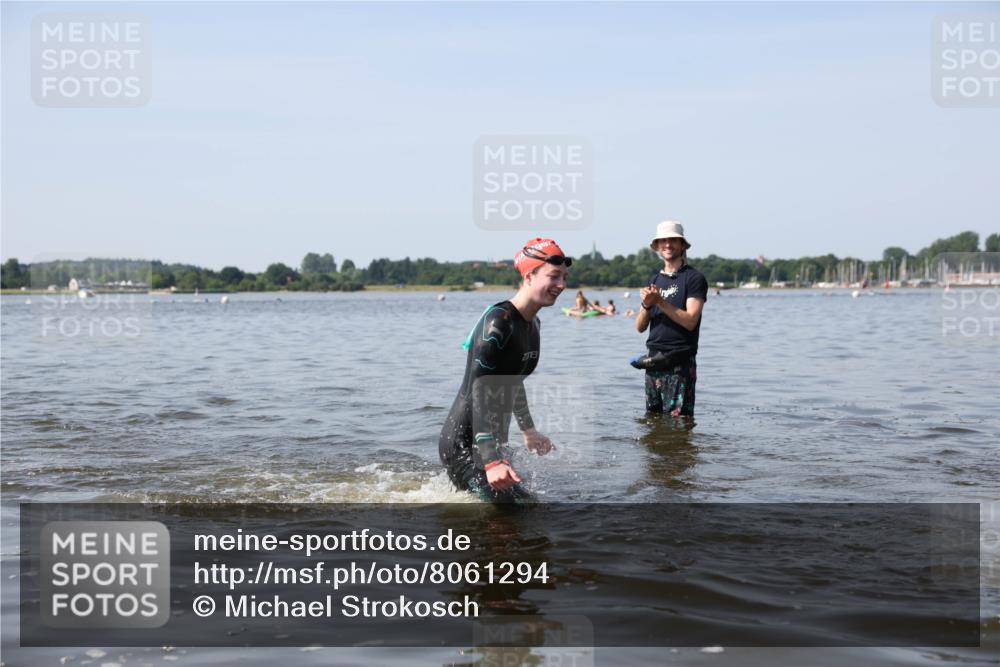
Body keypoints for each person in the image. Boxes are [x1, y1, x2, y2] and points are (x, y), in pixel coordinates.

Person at [439, 238, 571, 502]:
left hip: (493, 443)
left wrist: (528, 430)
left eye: (565, 278)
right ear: (529, 276)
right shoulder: (498, 323)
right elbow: (479, 390)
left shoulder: (533, 324)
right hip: (465, 445)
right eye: (554, 276)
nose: (561, 285)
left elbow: (513, 381)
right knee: (517, 510)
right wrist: (490, 461)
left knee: (529, 507)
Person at [635, 221, 707, 416]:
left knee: (678, 425)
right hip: (653, 361)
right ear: (657, 246)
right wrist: (647, 305)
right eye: (663, 240)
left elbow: (691, 321)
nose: (668, 244)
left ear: (682, 245)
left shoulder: (694, 278)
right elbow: (640, 327)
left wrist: (659, 301)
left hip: (679, 363)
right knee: (653, 421)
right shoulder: (654, 280)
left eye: (673, 240)